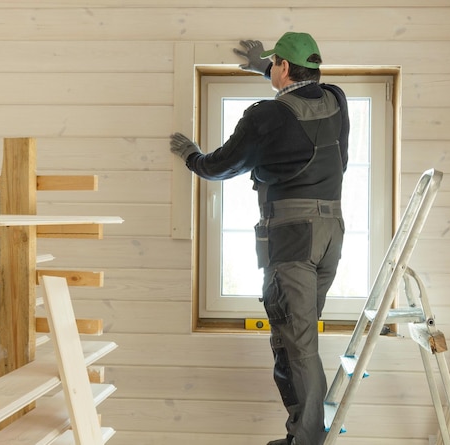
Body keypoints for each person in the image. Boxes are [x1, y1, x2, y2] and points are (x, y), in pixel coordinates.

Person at [169, 32, 349, 445]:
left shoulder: (265, 116)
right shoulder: (337, 100)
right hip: (331, 233)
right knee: (295, 337)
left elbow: (222, 166)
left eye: (274, 64)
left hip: (290, 236)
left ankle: (305, 442)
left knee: (297, 343)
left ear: (284, 67)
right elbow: (312, 115)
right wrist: (264, 68)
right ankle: (297, 433)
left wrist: (191, 156)